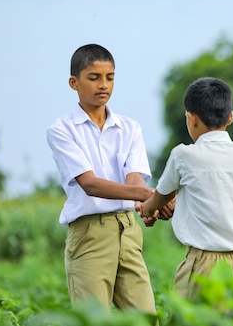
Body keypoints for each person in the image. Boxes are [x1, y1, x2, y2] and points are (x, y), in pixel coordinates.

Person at [46, 43, 173, 317]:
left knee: (145, 318)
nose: (103, 85)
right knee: (93, 321)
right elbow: (89, 184)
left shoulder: (129, 127)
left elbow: (134, 178)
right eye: (94, 78)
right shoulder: (62, 130)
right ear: (74, 82)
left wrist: (149, 203)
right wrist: (151, 198)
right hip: (90, 233)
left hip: (127, 231)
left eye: (110, 77)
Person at [139, 77, 233, 299]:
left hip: (206, 263)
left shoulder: (184, 155)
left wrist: (147, 209)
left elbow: (160, 197)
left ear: (191, 118)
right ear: (230, 117)